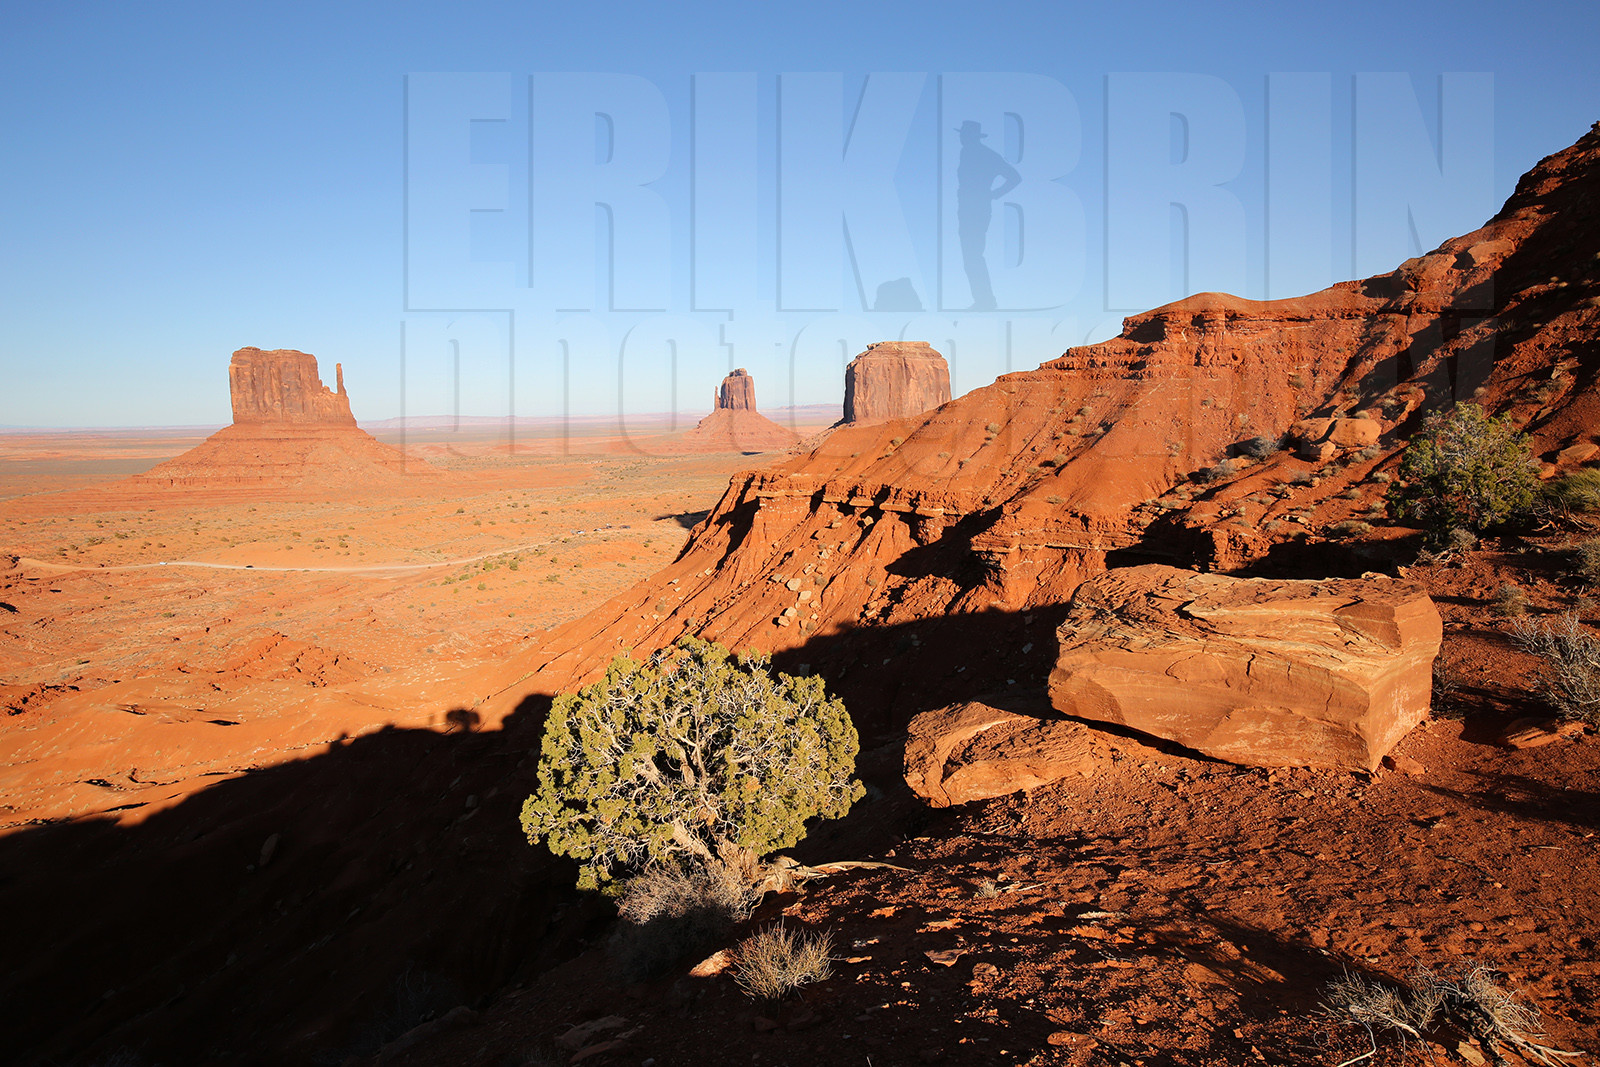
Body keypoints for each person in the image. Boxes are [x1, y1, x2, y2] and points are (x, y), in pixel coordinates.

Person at [955, 120, 1021, 311]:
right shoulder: (966, 153)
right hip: (967, 208)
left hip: (976, 209)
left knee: (973, 255)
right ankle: (983, 300)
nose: (961, 138)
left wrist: (993, 194)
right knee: (970, 256)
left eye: (964, 134)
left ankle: (985, 301)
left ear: (971, 136)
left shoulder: (985, 155)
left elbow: (1015, 177)